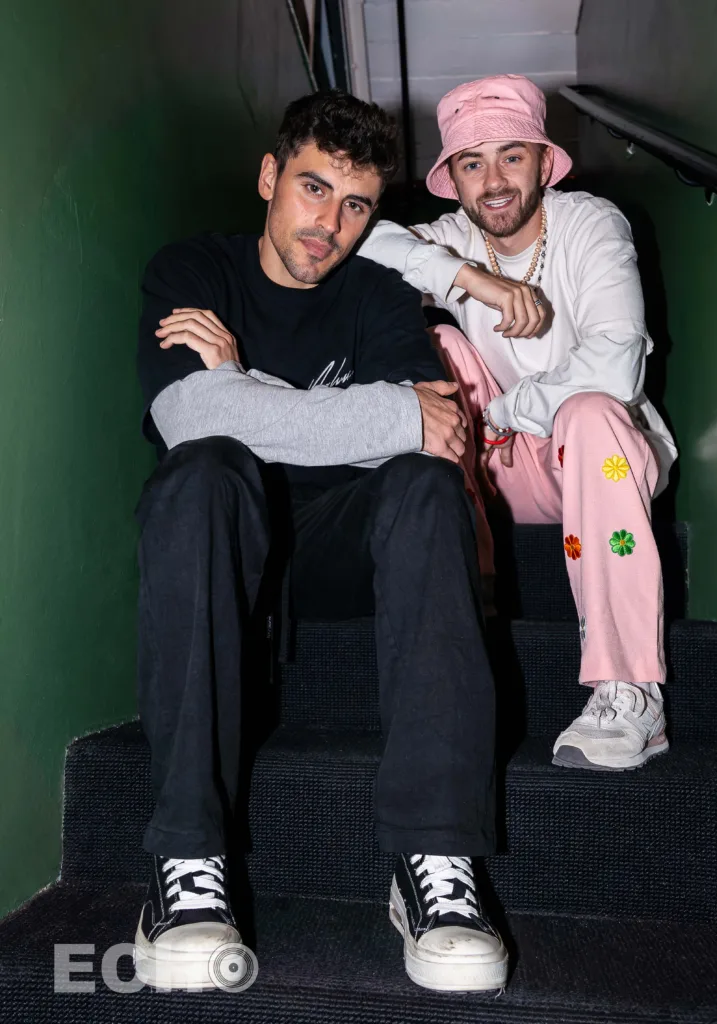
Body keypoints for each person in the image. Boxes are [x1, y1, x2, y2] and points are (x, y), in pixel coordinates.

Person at [132, 90, 508, 993]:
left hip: (347, 545)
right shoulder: (192, 270)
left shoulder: (378, 294)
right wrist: (376, 412)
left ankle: (435, 866)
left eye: (356, 205)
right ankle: (186, 871)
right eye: (311, 189)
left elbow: (440, 436)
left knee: (423, 485)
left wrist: (244, 382)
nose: (328, 224)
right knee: (202, 471)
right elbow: (192, 414)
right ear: (268, 177)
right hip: (227, 541)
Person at [360, 74, 678, 773]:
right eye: (472, 163)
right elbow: (352, 246)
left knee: (589, 412)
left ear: (542, 162)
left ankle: (630, 692)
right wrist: (471, 281)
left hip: (603, 459)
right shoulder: (449, 239)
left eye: (510, 155)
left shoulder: (590, 224)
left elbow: (616, 365)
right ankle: (461, 607)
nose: (494, 180)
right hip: (503, 469)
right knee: (436, 350)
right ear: (453, 180)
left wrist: (503, 411)